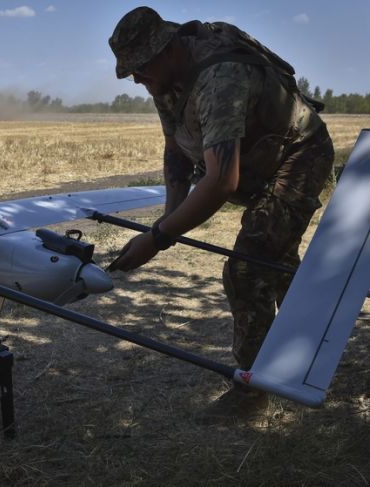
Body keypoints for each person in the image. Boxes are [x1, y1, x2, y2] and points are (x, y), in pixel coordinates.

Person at [107, 7, 335, 413]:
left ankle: (253, 390)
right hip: (259, 161)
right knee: (274, 255)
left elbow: (220, 181)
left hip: (298, 157)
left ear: (169, 48)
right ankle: (306, 346)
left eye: (140, 68)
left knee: (246, 268)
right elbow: (176, 153)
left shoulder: (219, 78)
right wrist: (166, 219)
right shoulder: (165, 83)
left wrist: (158, 239)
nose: (137, 79)